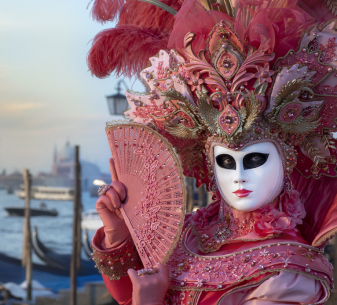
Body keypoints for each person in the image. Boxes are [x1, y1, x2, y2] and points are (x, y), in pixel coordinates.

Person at [87, 0, 337, 304]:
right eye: (225, 161)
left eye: (256, 159)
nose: (239, 176)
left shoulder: (289, 272)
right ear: (210, 163)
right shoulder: (190, 232)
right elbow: (128, 291)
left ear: (286, 160)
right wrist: (118, 234)